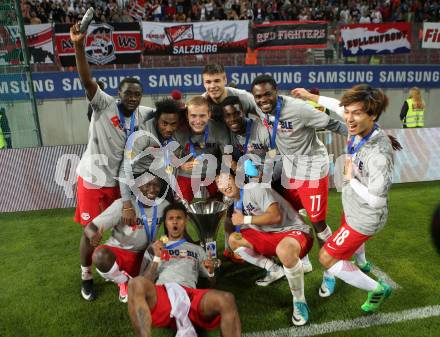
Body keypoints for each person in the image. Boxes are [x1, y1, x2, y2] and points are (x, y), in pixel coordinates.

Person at [70, 23, 154, 301]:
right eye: (128, 93)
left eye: (137, 94)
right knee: (90, 232)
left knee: (124, 227)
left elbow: (171, 111)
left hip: (120, 183)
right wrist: (79, 46)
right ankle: (86, 276)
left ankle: (119, 275)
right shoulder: (103, 104)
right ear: (119, 93)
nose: (132, 97)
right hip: (93, 181)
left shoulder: (143, 113)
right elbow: (86, 79)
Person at [251, 74, 348, 297]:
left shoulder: (299, 109)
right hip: (289, 170)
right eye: (259, 96)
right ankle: (303, 258)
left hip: (312, 171)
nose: (263, 99)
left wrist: (367, 135)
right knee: (288, 214)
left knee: (318, 224)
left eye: (268, 94)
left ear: (276, 91)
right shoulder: (260, 108)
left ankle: (331, 270)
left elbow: (334, 123)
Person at [318, 84, 394, 313]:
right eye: (347, 112)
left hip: (365, 215)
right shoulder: (361, 128)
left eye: (356, 113)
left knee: (326, 258)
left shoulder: (378, 154)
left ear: (372, 115)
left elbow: (378, 200)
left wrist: (350, 180)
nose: (348, 119)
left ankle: (378, 288)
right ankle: (361, 262)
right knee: (346, 234)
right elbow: (337, 106)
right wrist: (311, 96)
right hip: (354, 207)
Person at [127, 203, 241, 337]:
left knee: (227, 298)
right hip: (163, 294)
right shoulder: (155, 247)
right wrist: (156, 258)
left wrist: (210, 272)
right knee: (135, 283)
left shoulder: (197, 249)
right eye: (171, 218)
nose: (175, 221)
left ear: (185, 221)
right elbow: (144, 282)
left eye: (179, 218)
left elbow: (211, 284)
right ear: (166, 223)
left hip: (190, 294)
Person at [216, 172, 314, 326]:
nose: (224, 185)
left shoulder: (254, 188)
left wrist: (245, 219)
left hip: (294, 230)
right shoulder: (236, 203)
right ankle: (274, 269)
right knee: (234, 240)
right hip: (269, 235)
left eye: (227, 179)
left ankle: (299, 301)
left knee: (285, 251)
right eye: (219, 183)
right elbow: (237, 227)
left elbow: (276, 217)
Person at [84, 175, 169, 303]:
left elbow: (175, 229)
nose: (152, 189)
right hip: (121, 254)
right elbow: (90, 227)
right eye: (147, 185)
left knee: (165, 279)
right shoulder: (122, 205)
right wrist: (93, 236)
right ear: (138, 186)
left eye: (156, 185)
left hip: (145, 255)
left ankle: (139, 278)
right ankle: (124, 282)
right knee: (100, 255)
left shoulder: (164, 206)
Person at [119, 98, 183, 225]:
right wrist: (126, 205)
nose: (169, 128)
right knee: (135, 220)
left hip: (159, 175)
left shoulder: (177, 135)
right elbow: (124, 169)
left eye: (173, 124)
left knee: (172, 210)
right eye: (164, 123)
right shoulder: (142, 136)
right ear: (156, 120)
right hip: (137, 175)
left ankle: (175, 241)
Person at [175, 96, 230, 202]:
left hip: (213, 172)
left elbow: (227, 157)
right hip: (187, 173)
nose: (198, 121)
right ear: (187, 115)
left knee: (219, 205)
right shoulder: (178, 130)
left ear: (209, 114)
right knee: (181, 207)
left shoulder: (219, 129)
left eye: (202, 116)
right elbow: (170, 155)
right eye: (193, 116)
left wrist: (223, 174)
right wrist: (180, 164)